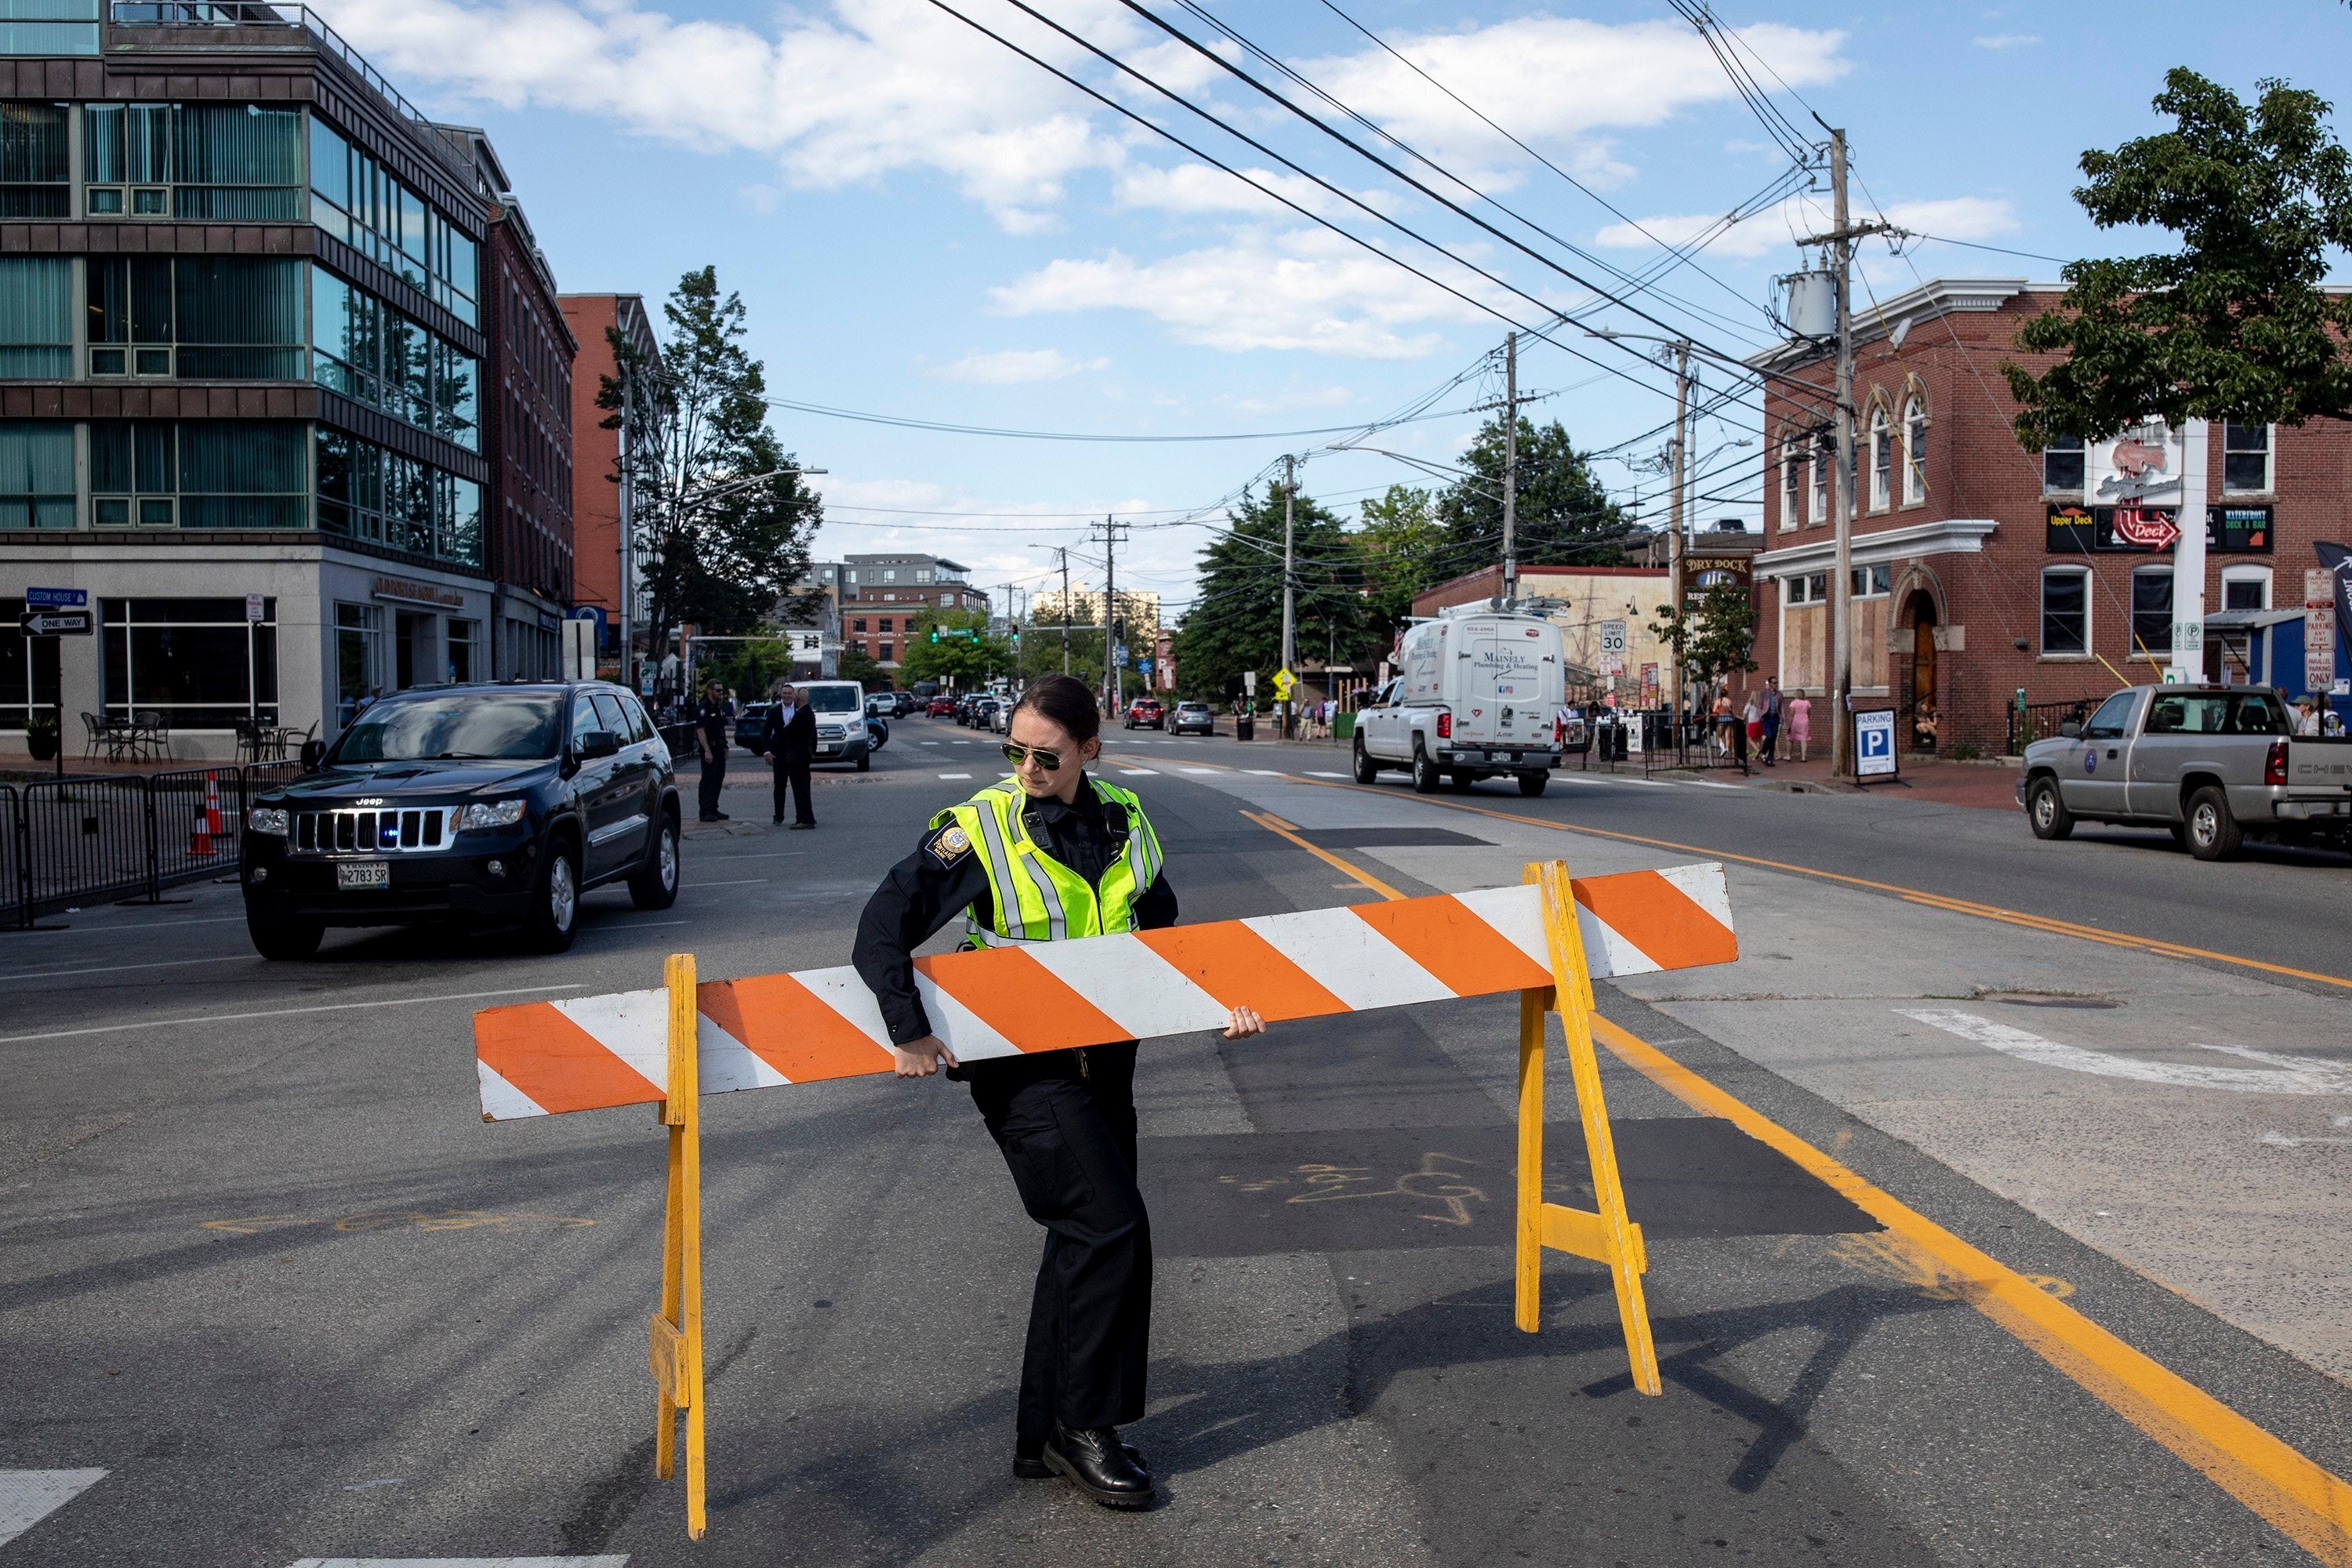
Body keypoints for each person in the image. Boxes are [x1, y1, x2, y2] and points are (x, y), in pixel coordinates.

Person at [853, 674, 1265, 1509]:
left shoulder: (1126, 818)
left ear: (1089, 750)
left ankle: (1043, 1434)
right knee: (1111, 1225)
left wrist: (1219, 999)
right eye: (1016, 750)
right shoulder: (980, 829)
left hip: (1107, 1058)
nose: (1028, 766)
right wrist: (909, 1030)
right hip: (1020, 1067)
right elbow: (879, 928)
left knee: (1084, 1236)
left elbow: (1162, 930)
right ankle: (1087, 1428)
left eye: (1046, 753)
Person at [762, 681, 818, 829]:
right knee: (779, 787)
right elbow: (766, 733)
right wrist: (767, 751)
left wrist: (812, 752)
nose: (787, 696)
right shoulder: (774, 711)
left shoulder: (801, 712)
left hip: (797, 756)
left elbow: (812, 734)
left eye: (790, 693)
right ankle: (778, 816)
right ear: (780, 695)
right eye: (784, 693)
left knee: (800, 787)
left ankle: (804, 817)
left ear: (794, 696)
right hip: (779, 755)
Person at [692, 678, 733, 822]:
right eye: (718, 690)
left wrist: (726, 746)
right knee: (708, 780)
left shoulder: (718, 708)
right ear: (709, 691)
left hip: (719, 747)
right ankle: (705, 811)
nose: (720, 693)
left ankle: (713, 808)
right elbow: (701, 731)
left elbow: (720, 729)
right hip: (710, 748)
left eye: (721, 690)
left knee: (718, 778)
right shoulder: (704, 708)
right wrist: (707, 751)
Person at [1757, 677, 1782, 767]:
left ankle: (1770, 759)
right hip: (1767, 718)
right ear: (1770, 684)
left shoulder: (1779, 694)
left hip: (1775, 717)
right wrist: (1761, 716)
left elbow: (1781, 707)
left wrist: (1783, 719)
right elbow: (1759, 706)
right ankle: (1763, 752)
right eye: (1774, 683)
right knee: (1769, 736)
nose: (1776, 685)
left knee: (1774, 738)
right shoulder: (1763, 694)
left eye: (1777, 683)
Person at [1787, 691, 1812, 762]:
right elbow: (1809, 712)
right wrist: (1807, 718)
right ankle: (1803, 757)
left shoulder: (1793, 702)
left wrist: (1789, 723)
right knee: (1804, 739)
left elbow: (1791, 713)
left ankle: (1789, 756)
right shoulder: (1807, 702)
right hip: (1804, 721)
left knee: (1790, 738)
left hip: (1795, 721)